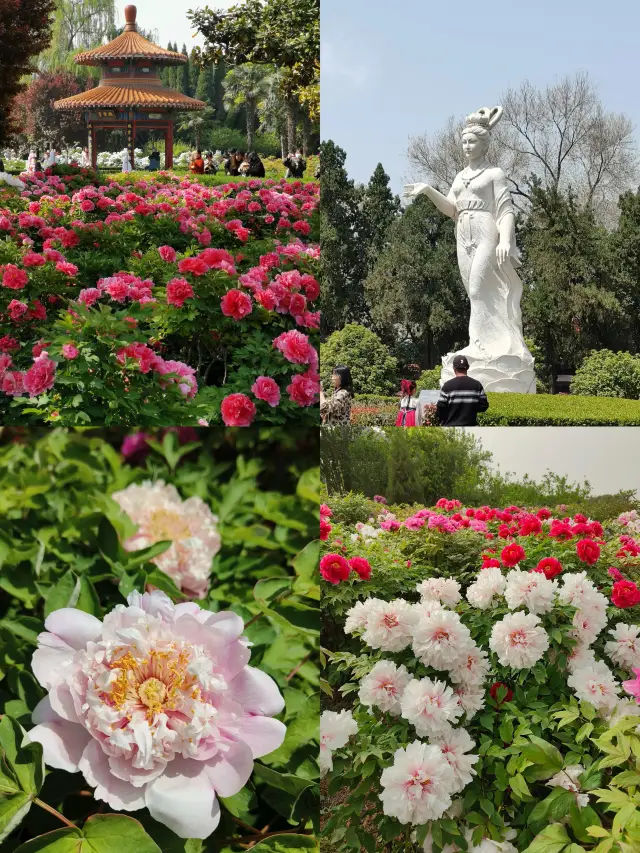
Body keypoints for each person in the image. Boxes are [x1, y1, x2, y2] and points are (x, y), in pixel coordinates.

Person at [436, 355, 489, 426]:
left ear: (454, 369)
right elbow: (484, 406)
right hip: (471, 429)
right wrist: (470, 408)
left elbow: (441, 408)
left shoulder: (447, 386)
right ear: (467, 368)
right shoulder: (477, 385)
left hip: (451, 429)